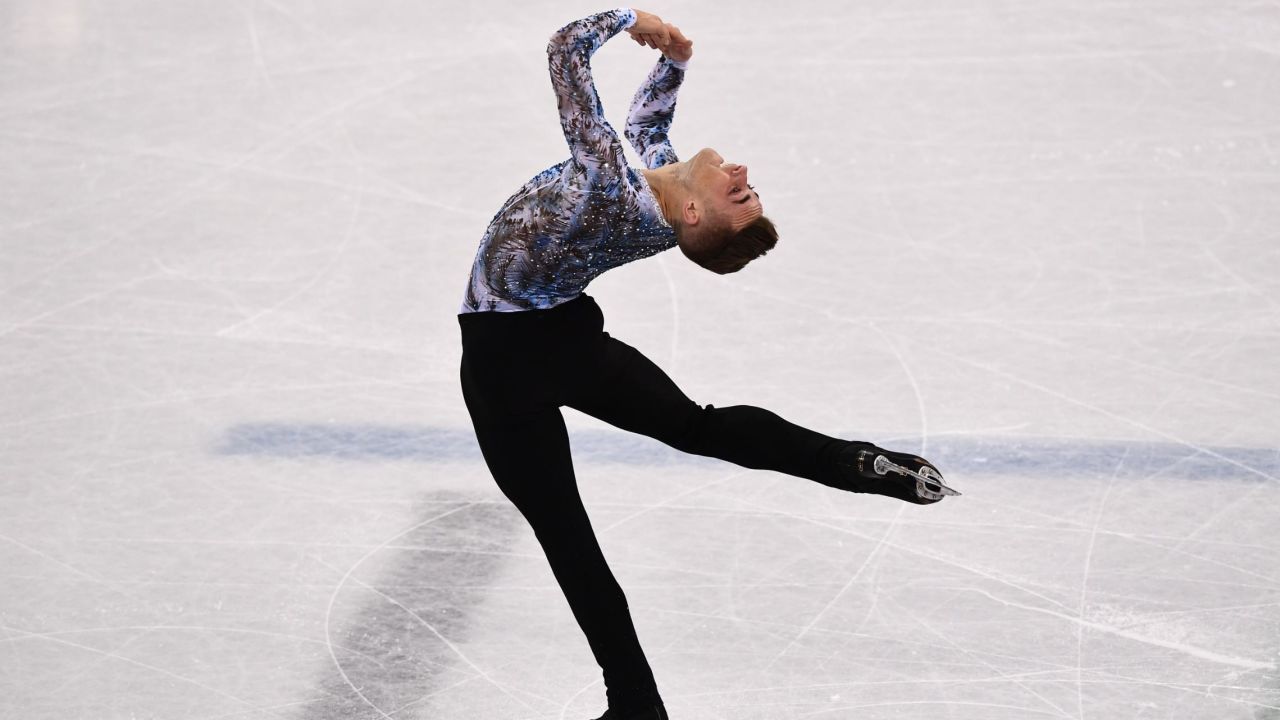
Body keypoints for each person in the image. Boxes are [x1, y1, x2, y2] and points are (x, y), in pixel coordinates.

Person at [457, 9, 955, 720]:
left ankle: (636, 703)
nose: (741, 171)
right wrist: (675, 62)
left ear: (695, 215)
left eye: (737, 191)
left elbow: (566, 50)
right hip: (569, 341)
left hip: (503, 361)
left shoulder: (605, 182)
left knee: (567, 537)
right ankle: (852, 462)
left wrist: (632, 18)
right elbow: (649, 134)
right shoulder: (661, 205)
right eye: (743, 186)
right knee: (697, 427)